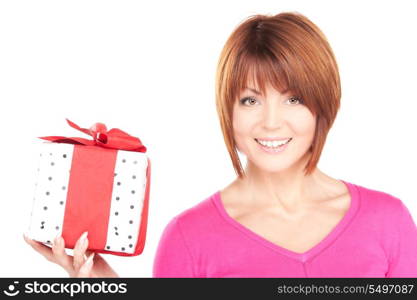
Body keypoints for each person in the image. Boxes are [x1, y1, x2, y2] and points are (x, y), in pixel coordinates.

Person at [24, 11, 417, 278]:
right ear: (227, 110)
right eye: (250, 100)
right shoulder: (188, 237)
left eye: (293, 98)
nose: (271, 121)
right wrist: (104, 283)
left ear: (324, 102)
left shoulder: (389, 222)